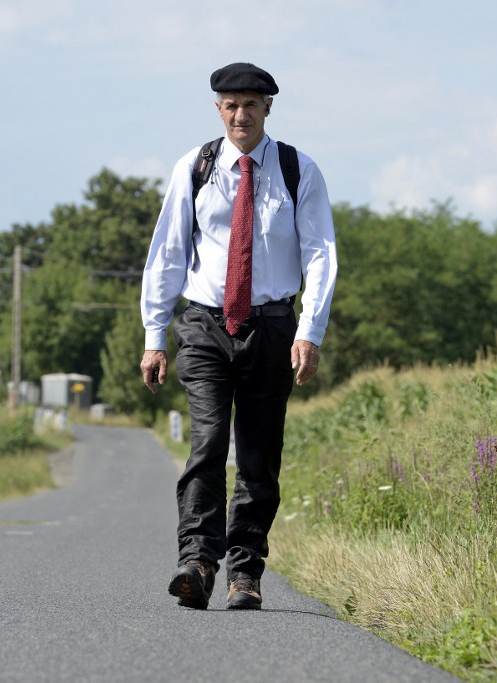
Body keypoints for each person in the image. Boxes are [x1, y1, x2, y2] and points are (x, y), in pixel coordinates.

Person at [139, 62, 338, 610]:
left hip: (272, 324)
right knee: (207, 442)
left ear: (267, 108)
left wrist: (309, 331)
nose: (240, 115)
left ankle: (244, 572)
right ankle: (198, 562)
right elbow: (168, 253)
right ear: (217, 109)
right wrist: (155, 335)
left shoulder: (298, 170)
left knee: (258, 454)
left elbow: (320, 254)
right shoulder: (196, 167)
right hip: (204, 323)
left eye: (251, 104)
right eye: (231, 105)